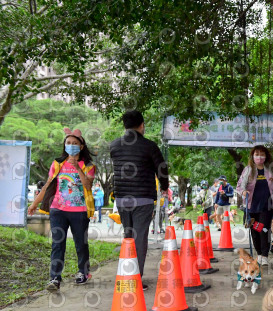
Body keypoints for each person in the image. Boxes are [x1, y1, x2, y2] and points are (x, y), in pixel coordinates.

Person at [28, 128, 96, 291]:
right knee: (57, 244)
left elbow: (87, 185)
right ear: (64, 145)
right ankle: (54, 278)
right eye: (68, 143)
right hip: (58, 209)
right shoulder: (57, 163)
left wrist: (77, 168)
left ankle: (83, 272)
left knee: (81, 244)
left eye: (74, 143)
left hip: (79, 211)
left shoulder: (88, 165)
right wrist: (35, 203)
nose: (71, 146)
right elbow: (48, 185)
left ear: (81, 147)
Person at [110, 110, 168, 290]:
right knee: (140, 238)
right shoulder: (149, 146)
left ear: (124, 125)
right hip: (142, 199)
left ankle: (126, 274)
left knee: (128, 236)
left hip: (121, 198)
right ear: (142, 125)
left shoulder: (114, 145)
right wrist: (165, 187)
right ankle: (135, 278)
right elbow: (162, 169)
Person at [237, 145, 273, 266]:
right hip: (251, 207)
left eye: (262, 154)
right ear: (253, 156)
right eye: (257, 154)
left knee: (264, 229)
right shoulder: (248, 170)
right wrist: (243, 191)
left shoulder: (270, 170)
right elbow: (239, 186)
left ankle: (265, 255)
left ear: (266, 156)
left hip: (266, 206)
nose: (259, 157)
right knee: (255, 230)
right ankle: (258, 254)